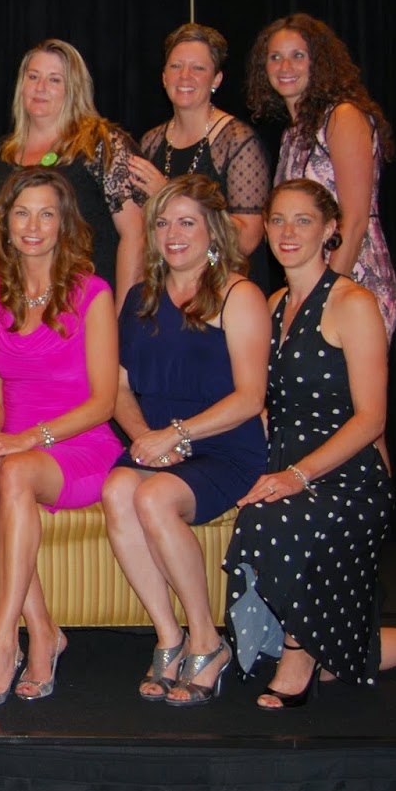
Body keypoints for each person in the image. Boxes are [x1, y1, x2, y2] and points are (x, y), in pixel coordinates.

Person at [101, 175, 269, 706]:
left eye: (187, 222)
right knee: (116, 491)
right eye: (163, 223)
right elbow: (118, 388)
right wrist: (146, 439)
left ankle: (206, 640)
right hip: (156, 439)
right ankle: (168, 637)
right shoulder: (141, 297)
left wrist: (177, 434)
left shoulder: (239, 294)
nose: (173, 234)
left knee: (153, 496)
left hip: (223, 444)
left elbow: (250, 398)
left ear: (213, 230)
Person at [225, 179, 391, 708]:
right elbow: (263, 399)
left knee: (272, 518)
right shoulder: (273, 303)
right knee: (352, 650)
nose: (287, 232)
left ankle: (297, 654)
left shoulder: (353, 303)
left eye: (303, 220)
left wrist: (298, 476)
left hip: (346, 474)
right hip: (286, 462)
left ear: (330, 230)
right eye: (277, 220)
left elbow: (372, 419)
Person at [0, 169, 120, 707]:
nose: (33, 226)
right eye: (22, 213)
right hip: (18, 444)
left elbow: (104, 403)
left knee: (11, 470)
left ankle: (4, 640)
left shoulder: (93, 294)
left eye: (46, 214)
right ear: (5, 223)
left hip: (80, 441)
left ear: (63, 224)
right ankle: (43, 632)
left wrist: (27, 439)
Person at [245, 13, 396, 337]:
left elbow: (355, 220)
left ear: (319, 63)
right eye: (275, 57)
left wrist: (321, 300)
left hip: (351, 279)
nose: (285, 67)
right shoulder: (292, 134)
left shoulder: (343, 117)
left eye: (298, 55)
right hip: (308, 284)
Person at [0, 39, 146, 309]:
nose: (40, 88)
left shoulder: (101, 145)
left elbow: (135, 233)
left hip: (81, 311)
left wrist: (121, 316)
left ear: (74, 89)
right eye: (33, 77)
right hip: (7, 312)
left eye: (54, 80)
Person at [126, 24, 271, 267]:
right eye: (176, 66)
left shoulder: (237, 141)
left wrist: (167, 193)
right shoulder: (151, 141)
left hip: (222, 280)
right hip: (170, 279)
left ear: (216, 79)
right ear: (164, 77)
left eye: (198, 68)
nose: (185, 76)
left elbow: (248, 239)